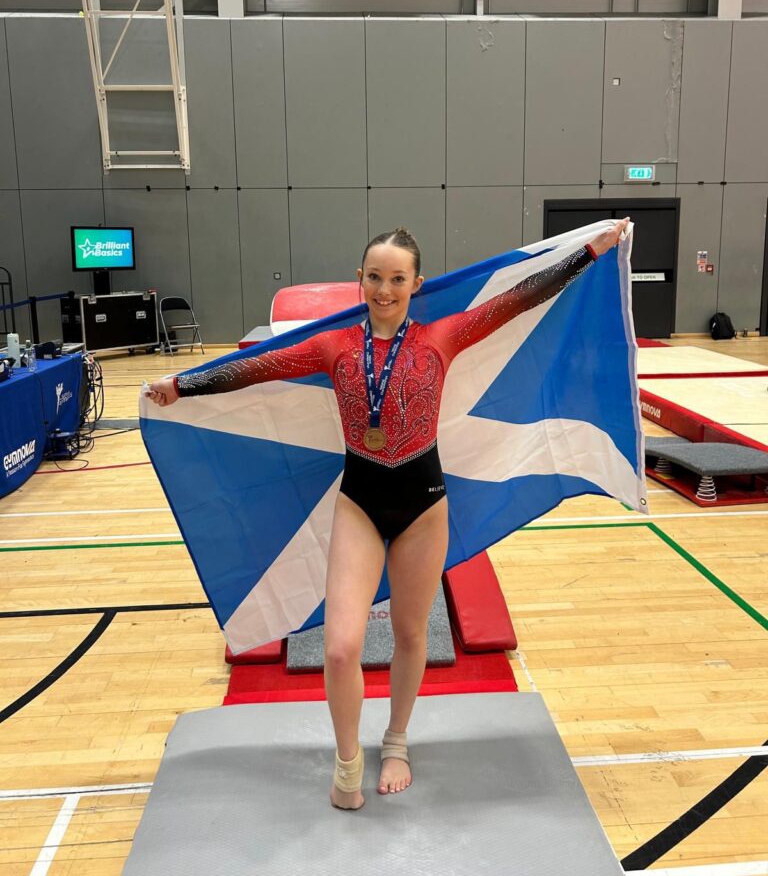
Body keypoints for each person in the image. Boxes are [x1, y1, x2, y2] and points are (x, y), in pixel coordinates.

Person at [146, 218, 629, 810]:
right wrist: (183, 385)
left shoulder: (443, 336)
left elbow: (515, 301)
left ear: (416, 284)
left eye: (397, 279)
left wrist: (589, 252)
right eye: (375, 277)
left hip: (424, 506)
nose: (384, 289)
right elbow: (260, 367)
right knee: (340, 646)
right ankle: (348, 764)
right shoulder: (333, 346)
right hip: (360, 504)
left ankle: (397, 740)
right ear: (360, 279)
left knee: (409, 633)